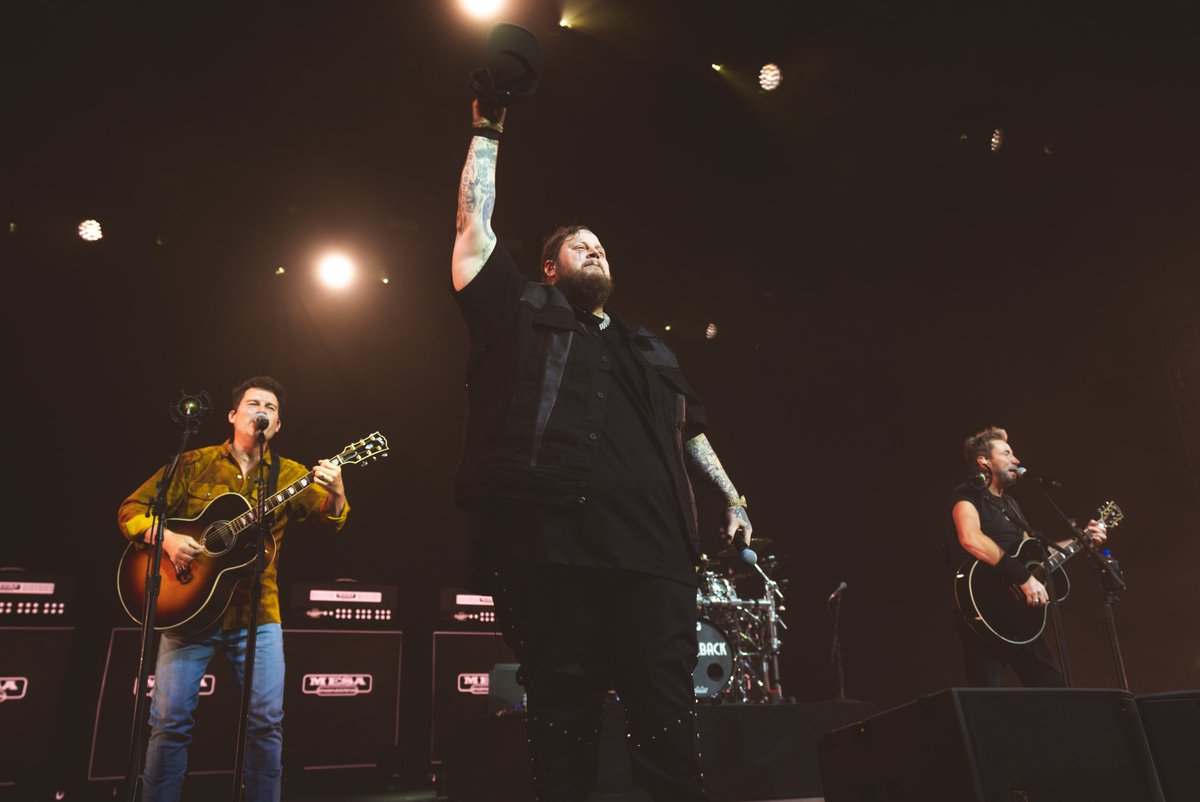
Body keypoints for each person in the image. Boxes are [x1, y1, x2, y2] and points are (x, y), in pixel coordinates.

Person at [450, 100, 753, 802]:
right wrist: (487, 131)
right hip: (554, 550)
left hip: (657, 557)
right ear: (549, 268)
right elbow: (472, 227)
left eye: (602, 246)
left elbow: (692, 429)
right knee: (564, 724)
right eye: (577, 245)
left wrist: (732, 498)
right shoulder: (518, 310)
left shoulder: (648, 344)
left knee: (668, 725)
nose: (595, 249)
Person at [117, 376, 349, 802]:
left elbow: (327, 522)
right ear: (232, 415)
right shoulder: (192, 463)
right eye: (252, 403)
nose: (261, 410)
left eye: (271, 407)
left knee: (265, 724)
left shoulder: (291, 475)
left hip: (257, 615)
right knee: (169, 724)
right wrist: (165, 537)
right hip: (186, 611)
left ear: (277, 425)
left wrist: (336, 492)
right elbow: (131, 510)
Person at [948, 426, 1105, 687]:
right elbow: (970, 538)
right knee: (986, 702)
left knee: (1055, 689)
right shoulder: (966, 495)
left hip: (1019, 615)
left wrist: (1083, 540)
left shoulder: (1012, 506)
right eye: (1007, 453)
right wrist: (1022, 577)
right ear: (984, 461)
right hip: (984, 611)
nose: (1016, 460)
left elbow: (1034, 556)